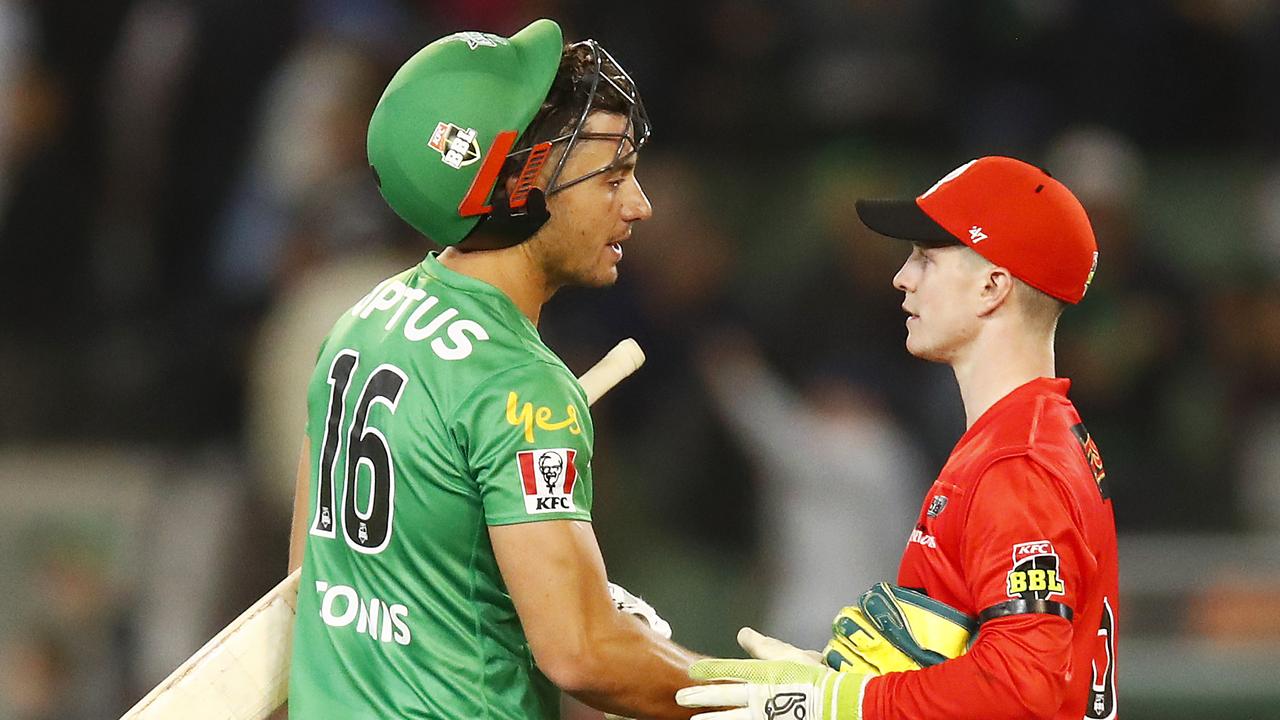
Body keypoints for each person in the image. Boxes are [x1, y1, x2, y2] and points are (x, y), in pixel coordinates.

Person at [286, 20, 700, 719]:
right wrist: (779, 694)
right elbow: (582, 654)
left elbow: (310, 583)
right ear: (524, 180)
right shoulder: (519, 385)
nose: (639, 206)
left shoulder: (363, 322)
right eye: (615, 176)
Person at [676, 156, 1119, 720]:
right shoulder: (1028, 433)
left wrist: (847, 702)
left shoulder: (1018, 459)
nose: (901, 277)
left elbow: (1020, 687)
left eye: (926, 258)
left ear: (992, 286)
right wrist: (835, 682)